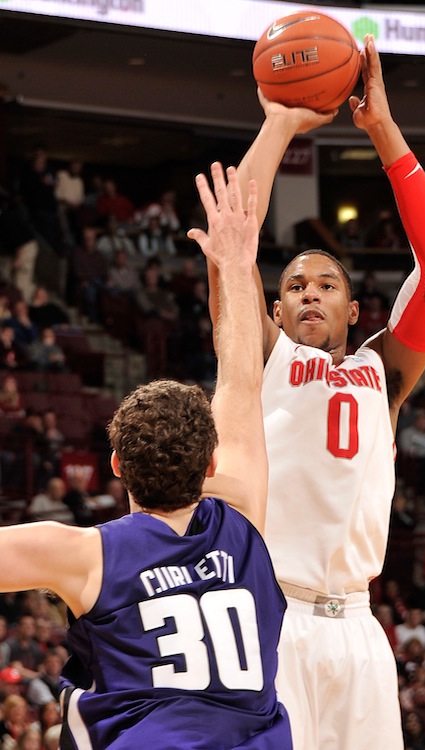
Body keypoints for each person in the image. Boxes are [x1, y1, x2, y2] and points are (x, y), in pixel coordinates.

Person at [204, 35, 425, 750]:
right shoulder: (260, 357)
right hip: (271, 618)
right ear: (277, 312)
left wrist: (381, 126)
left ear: (355, 312)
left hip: (357, 628)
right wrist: (280, 123)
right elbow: (231, 245)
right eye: (293, 287)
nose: (309, 293)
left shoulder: (384, 373)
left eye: (327, 285)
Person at [0, 164, 292, 749]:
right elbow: (241, 378)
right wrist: (237, 262)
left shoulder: (89, 557)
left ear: (115, 466)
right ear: (210, 467)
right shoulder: (244, 519)